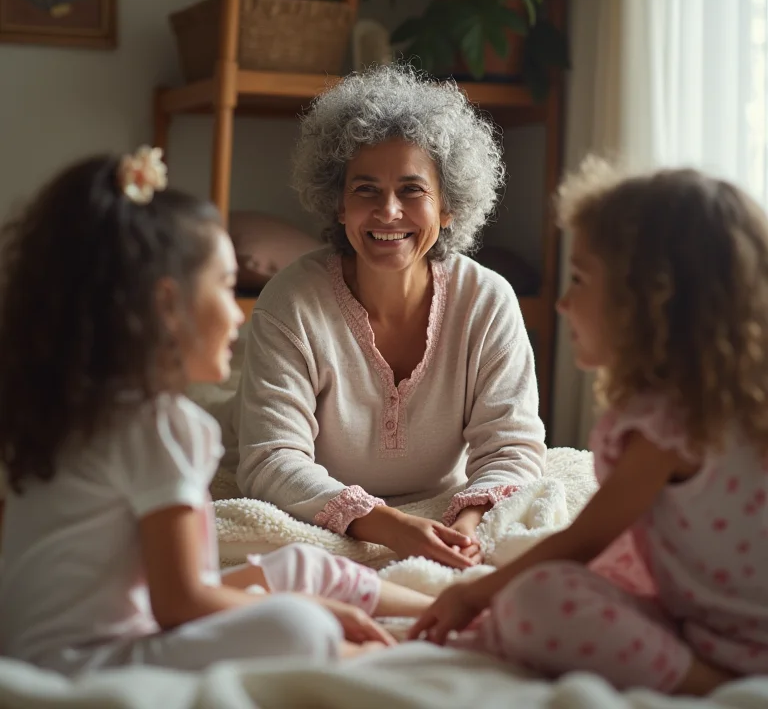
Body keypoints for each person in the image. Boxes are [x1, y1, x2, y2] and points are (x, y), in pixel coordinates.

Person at [0, 148, 432, 676]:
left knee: (301, 564)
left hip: (47, 643)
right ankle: (373, 656)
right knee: (303, 625)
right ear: (166, 305)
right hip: (92, 662)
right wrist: (308, 610)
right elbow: (179, 603)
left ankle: (439, 611)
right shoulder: (164, 425)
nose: (236, 314)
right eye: (227, 288)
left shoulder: (71, 409)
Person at [408, 159, 768, 695]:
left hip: (732, 641)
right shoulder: (735, 397)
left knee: (532, 601)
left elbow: (586, 538)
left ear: (650, 301)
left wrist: (473, 595)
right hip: (700, 617)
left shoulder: (667, 424)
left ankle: (709, 683)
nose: (562, 302)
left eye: (579, 279)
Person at [234, 64, 546, 569]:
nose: (389, 212)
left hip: (445, 511)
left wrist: (464, 527)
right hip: (325, 519)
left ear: (448, 206)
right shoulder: (290, 302)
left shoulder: (487, 301)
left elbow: (511, 447)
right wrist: (391, 527)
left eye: (412, 190)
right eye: (365, 190)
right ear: (337, 203)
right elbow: (271, 460)